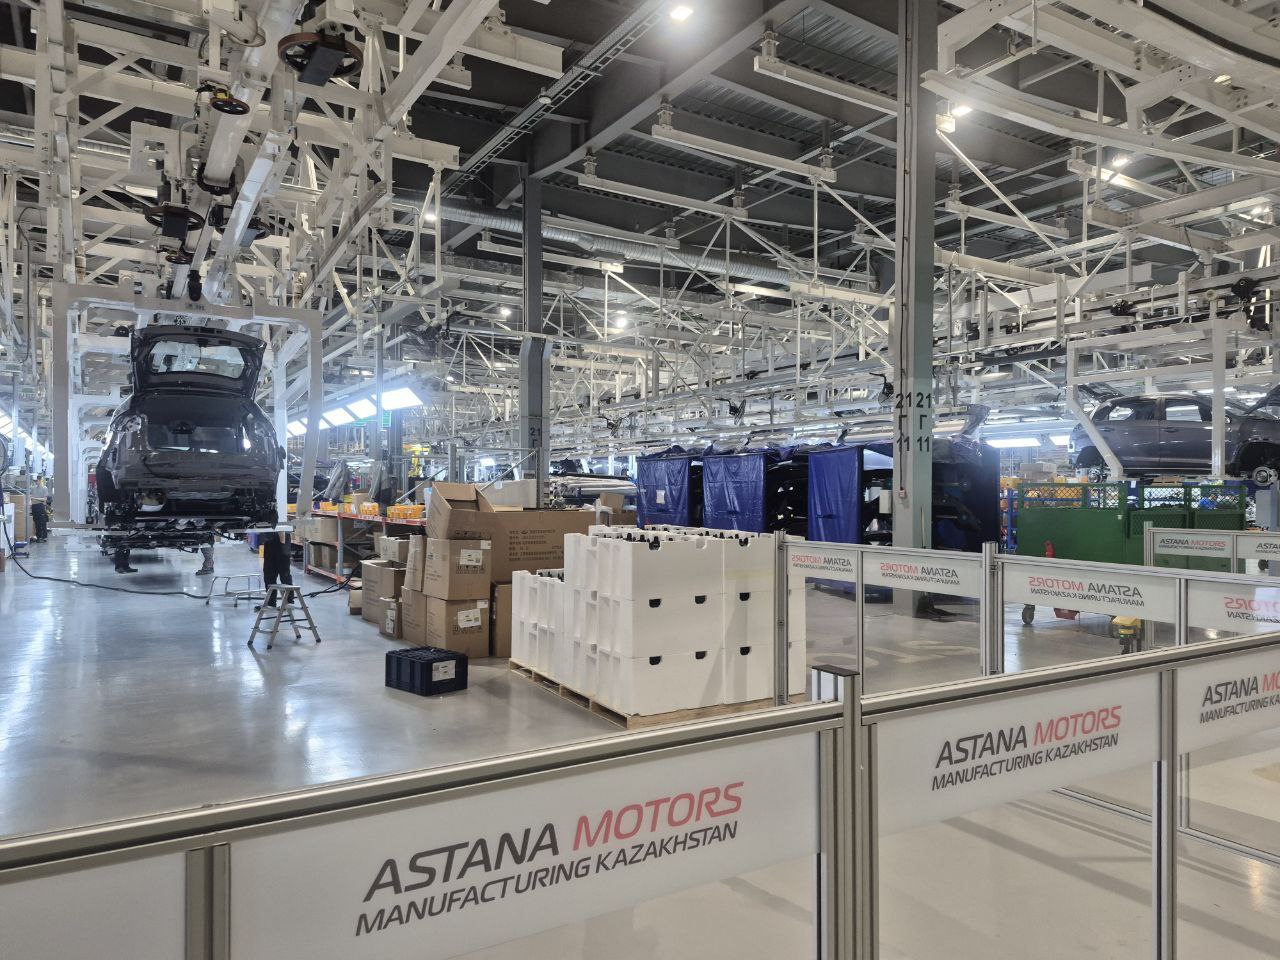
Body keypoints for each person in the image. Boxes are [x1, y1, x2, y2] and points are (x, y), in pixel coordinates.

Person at [257, 531, 293, 609]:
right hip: (269, 539)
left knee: (284, 573)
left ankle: (289, 602)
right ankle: (270, 602)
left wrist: (282, 543)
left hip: (282, 537)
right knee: (268, 573)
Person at [29, 475, 50, 543]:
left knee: (42, 522)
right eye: (35, 481)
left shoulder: (44, 488)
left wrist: (34, 498)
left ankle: (44, 537)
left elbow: (44, 499)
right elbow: (30, 496)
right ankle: (38, 537)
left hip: (40, 506)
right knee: (36, 522)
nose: (36, 482)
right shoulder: (33, 488)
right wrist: (30, 501)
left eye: (37, 481)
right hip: (34, 506)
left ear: (40, 480)